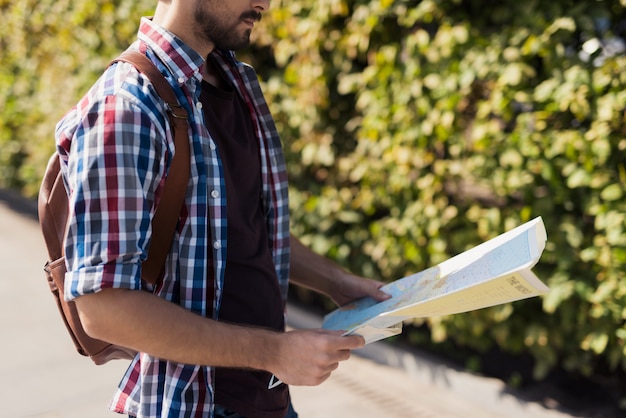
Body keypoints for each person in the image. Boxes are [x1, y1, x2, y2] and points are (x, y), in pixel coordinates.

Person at [55, 0, 390, 417]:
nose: (265, 3)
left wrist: (335, 281)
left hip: (267, 402)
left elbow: (243, 227)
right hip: (192, 406)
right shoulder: (126, 108)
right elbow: (102, 307)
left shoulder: (235, 81)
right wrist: (274, 352)